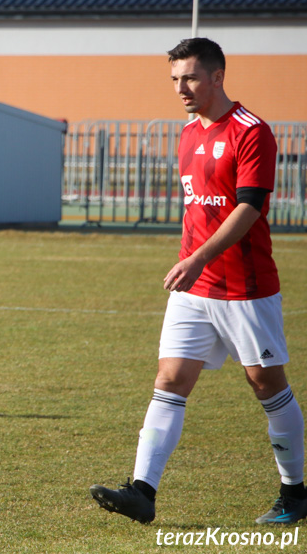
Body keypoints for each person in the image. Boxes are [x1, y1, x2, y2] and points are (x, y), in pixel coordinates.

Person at [90, 37, 306, 525]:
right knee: (170, 380)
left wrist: (199, 256)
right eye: (174, 79)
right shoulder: (188, 133)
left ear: (216, 76)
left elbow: (248, 207)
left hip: (245, 288)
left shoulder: (252, 132)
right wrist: (191, 261)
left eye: (189, 77)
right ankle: (142, 492)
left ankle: (295, 493)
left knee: (266, 385)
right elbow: (198, 208)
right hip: (194, 288)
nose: (180, 88)